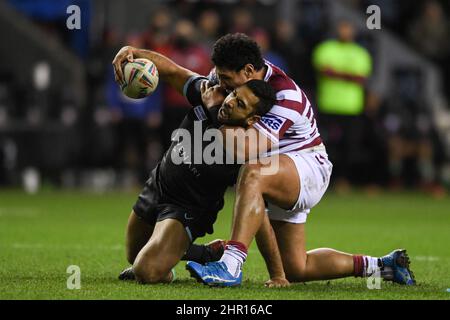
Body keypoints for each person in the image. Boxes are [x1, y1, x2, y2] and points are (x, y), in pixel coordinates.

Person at [177, 33, 414, 287]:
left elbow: (247, 151)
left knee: (253, 171)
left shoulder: (285, 94)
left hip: (308, 166)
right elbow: (257, 212)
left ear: (247, 71)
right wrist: (145, 56)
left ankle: (230, 265)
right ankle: (383, 266)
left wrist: (214, 111)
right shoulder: (236, 81)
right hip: (278, 171)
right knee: (297, 268)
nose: (221, 84)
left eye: (225, 77)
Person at [112, 47, 277, 284]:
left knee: (147, 271)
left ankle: (171, 259)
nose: (230, 102)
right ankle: (207, 252)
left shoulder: (247, 144)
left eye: (240, 104)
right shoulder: (211, 92)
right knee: (133, 255)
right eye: (233, 94)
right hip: (159, 184)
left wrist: (278, 273)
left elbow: (257, 205)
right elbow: (171, 71)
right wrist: (133, 52)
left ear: (252, 119)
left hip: (188, 209)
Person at [312, 20, 372, 191]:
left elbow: (360, 78)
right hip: (328, 105)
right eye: (342, 28)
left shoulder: (360, 52)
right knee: (326, 145)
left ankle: (342, 180)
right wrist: (349, 76)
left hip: (352, 107)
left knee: (349, 146)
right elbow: (323, 71)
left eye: (348, 28)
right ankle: (323, 180)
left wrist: (335, 74)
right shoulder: (325, 48)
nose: (345, 31)